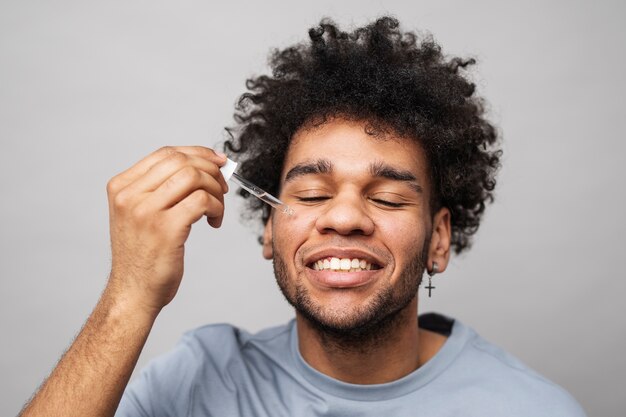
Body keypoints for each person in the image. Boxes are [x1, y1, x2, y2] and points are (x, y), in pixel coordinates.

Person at [20, 17, 587, 417]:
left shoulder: (534, 410)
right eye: (312, 194)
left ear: (439, 239)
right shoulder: (199, 381)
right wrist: (128, 297)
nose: (344, 216)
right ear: (269, 229)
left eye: (387, 198)